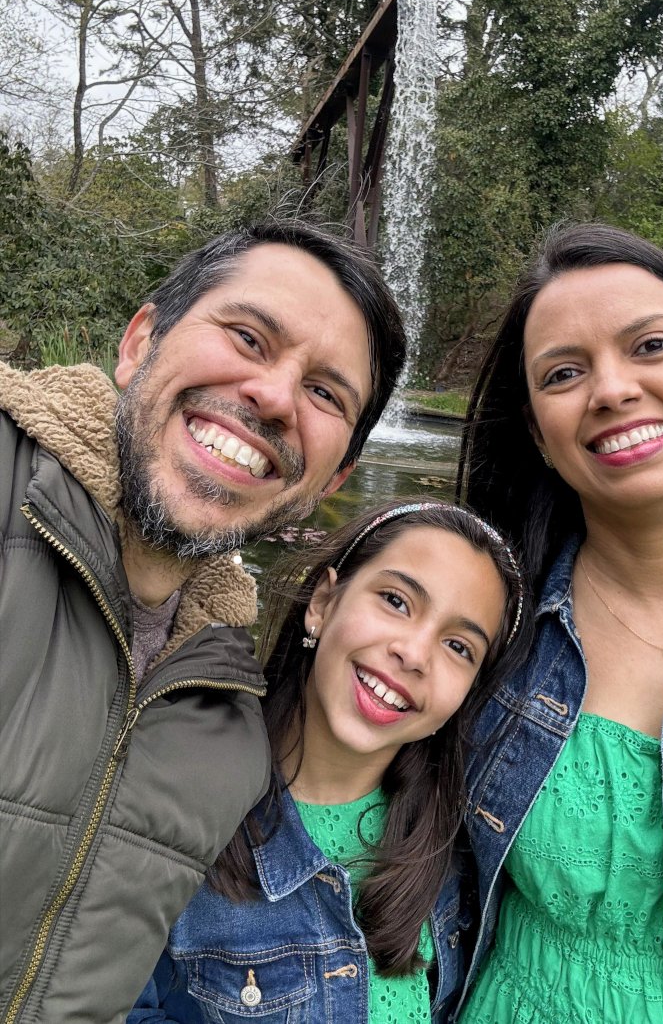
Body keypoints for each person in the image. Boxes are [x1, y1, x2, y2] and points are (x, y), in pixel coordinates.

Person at [0, 219, 406, 1023]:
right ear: (140, 340)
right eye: (248, 336)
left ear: (336, 476)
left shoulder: (228, 731)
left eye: (326, 393)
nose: (275, 396)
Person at [454, 223, 663, 1024]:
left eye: (649, 345)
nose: (611, 389)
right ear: (540, 434)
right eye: (565, 372)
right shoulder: (485, 619)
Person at [127, 499, 528, 1024]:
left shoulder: (457, 851)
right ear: (322, 602)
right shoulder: (170, 812)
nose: (414, 652)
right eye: (396, 600)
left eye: (458, 646)